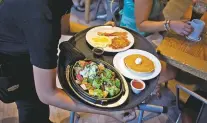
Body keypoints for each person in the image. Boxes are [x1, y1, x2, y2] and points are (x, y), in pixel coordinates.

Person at [0, 0, 136, 123]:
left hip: (26, 41)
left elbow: (64, 27)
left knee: (37, 105)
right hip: (9, 58)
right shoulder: (41, 19)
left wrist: (99, 32)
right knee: (30, 104)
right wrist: (110, 110)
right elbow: (48, 94)